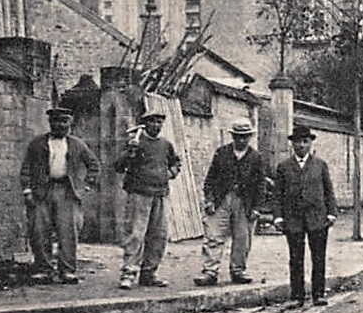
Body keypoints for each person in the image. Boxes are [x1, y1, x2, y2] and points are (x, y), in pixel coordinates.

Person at [18, 106, 101, 284]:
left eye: (64, 121)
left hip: (67, 192)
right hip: (42, 191)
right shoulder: (37, 144)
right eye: (56, 121)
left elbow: (93, 164)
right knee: (39, 230)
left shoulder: (77, 144)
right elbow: (26, 167)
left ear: (70, 123)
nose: (60, 125)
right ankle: (43, 268)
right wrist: (27, 190)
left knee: (68, 231)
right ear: (50, 123)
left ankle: (67, 270)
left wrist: (86, 186)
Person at [194, 119, 268, 286]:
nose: (241, 140)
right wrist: (210, 200)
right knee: (213, 235)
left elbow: (261, 185)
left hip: (245, 202)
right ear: (233, 136)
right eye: (238, 137)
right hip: (222, 199)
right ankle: (210, 271)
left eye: (244, 137)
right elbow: (210, 180)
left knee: (243, 238)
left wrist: (257, 207)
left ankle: (238, 270)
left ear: (249, 137)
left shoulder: (256, 157)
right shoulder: (222, 153)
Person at [272, 125, 338, 307]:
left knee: (318, 257)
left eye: (305, 141)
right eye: (298, 142)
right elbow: (277, 195)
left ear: (310, 144)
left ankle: (318, 294)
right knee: (296, 258)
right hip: (293, 220)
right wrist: (278, 217)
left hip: (317, 218)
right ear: (292, 144)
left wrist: (332, 213)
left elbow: (328, 191)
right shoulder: (284, 167)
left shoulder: (320, 165)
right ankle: (297, 296)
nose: (301, 145)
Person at [115, 110, 182, 290]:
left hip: (159, 194)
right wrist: (130, 152)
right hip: (138, 193)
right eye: (153, 122)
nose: (157, 126)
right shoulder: (135, 142)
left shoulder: (165, 144)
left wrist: (169, 173)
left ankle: (149, 273)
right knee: (135, 234)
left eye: (160, 122)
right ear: (145, 124)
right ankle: (128, 273)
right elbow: (119, 167)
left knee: (158, 235)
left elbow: (176, 163)